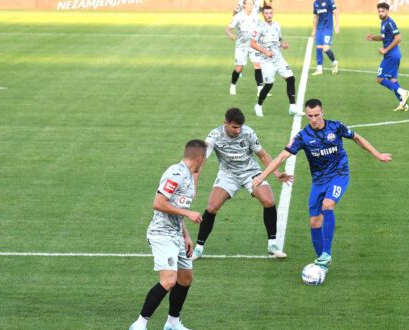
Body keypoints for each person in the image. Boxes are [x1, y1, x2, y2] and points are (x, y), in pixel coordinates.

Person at [252, 99, 392, 273]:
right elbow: (281, 157)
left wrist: (377, 154)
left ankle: (326, 253)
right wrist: (262, 176)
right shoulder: (303, 136)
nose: (313, 119)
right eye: (309, 116)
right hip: (318, 181)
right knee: (314, 223)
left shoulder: (336, 127)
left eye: (316, 115)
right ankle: (322, 262)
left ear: (322, 112)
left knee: (328, 204)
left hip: (339, 175)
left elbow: (356, 138)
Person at [192, 108, 293, 260]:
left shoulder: (248, 133)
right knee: (212, 207)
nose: (238, 130)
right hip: (228, 175)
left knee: (269, 201)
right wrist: (193, 185)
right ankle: (198, 248)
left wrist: (277, 173)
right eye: (234, 127)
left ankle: (272, 244)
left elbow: (263, 155)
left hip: (250, 172)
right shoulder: (214, 136)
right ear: (225, 123)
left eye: (240, 127)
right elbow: (200, 162)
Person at [129, 139, 208, 330]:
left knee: (185, 278)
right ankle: (139, 324)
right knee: (169, 281)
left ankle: (172, 323)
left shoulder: (188, 176)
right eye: (205, 159)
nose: (204, 163)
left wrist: (186, 235)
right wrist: (189, 214)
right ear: (199, 158)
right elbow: (159, 203)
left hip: (177, 234)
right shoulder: (176, 173)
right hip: (162, 234)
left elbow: (175, 207)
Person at [250, 5, 304, 117]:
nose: (269, 15)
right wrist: (265, 51)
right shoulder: (259, 27)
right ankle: (258, 105)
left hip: (279, 59)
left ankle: (292, 107)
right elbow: (252, 43)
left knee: (291, 78)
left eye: (270, 13)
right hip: (267, 61)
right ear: (263, 14)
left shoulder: (277, 25)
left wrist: (282, 44)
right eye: (266, 13)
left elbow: (279, 40)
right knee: (269, 84)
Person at [365, 2, 409, 112]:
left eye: (383, 11)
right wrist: (373, 38)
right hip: (393, 55)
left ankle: (403, 92)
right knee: (392, 79)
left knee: (380, 79)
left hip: (391, 55)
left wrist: (385, 50)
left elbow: (398, 38)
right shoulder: (383, 23)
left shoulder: (390, 22)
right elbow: (384, 37)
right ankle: (403, 103)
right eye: (379, 11)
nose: (380, 13)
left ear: (387, 11)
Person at [226, 0, 264, 96]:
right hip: (241, 45)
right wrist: (230, 34)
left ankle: (260, 89)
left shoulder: (256, 16)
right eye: (249, 4)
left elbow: (261, 28)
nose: (251, 6)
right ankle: (233, 85)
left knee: (257, 65)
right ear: (244, 5)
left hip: (253, 44)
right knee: (239, 68)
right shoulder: (238, 17)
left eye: (252, 4)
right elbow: (227, 29)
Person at [311, 0, 339, 75]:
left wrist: (336, 26)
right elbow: (315, 16)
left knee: (325, 48)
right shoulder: (316, 3)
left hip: (328, 28)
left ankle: (334, 62)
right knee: (319, 48)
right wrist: (314, 30)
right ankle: (319, 69)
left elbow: (336, 13)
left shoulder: (329, 1)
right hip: (319, 29)